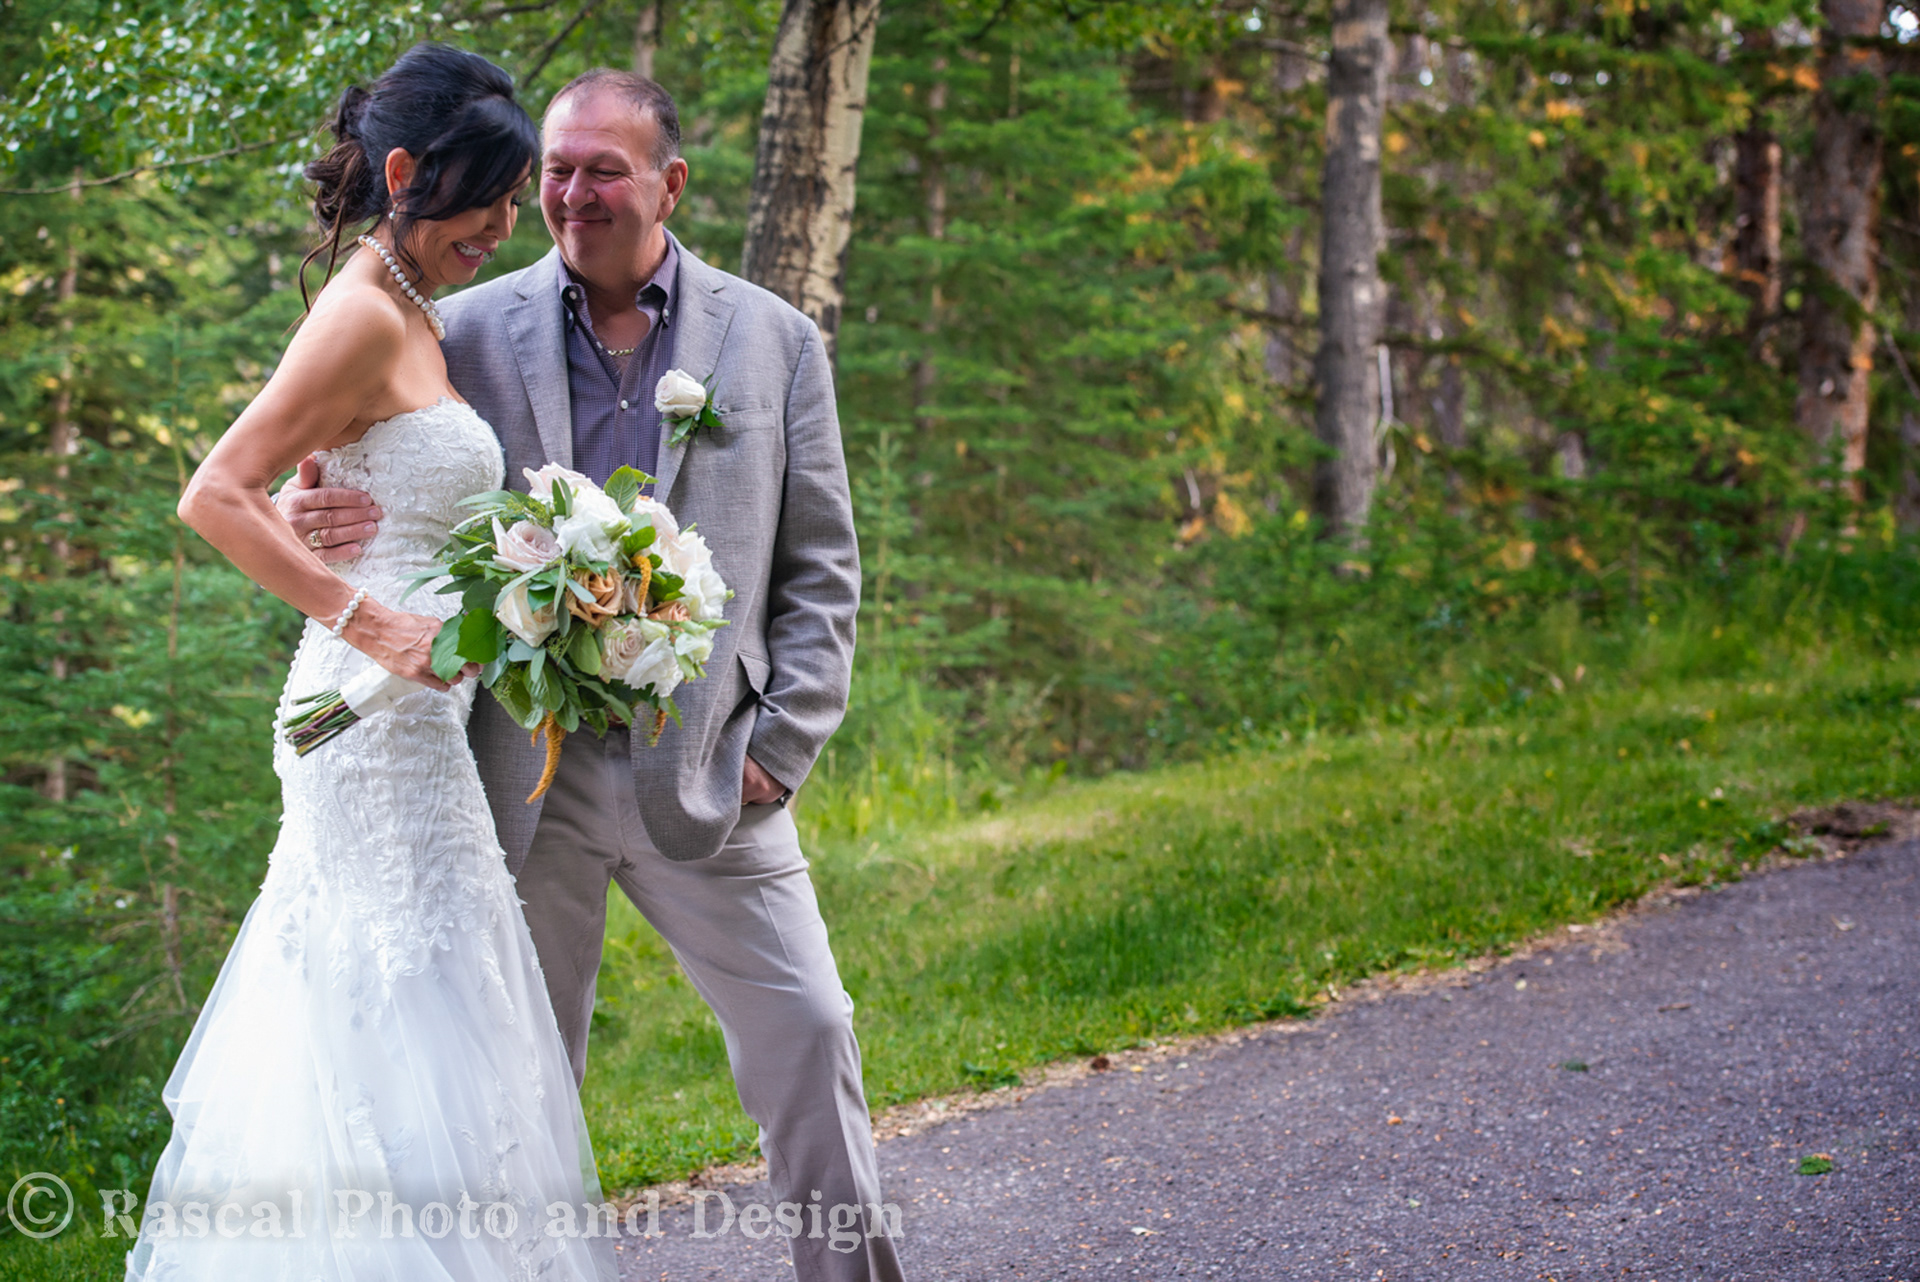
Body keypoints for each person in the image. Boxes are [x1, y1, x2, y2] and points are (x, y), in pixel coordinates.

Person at [278, 69, 903, 1282]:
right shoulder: (462, 321)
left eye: (600, 170)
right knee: (519, 1079)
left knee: (813, 1031)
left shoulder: (774, 339)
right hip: (520, 774)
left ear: (669, 182)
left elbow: (823, 565)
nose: (568, 194)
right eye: (554, 170)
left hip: (716, 773)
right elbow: (350, 442)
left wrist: (785, 740)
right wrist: (317, 507)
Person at [129, 44, 616, 1281]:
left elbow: (340, 475)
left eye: (515, 200)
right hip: (355, 712)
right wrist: (367, 619)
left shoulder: (406, 307)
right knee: (382, 990)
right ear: (404, 173)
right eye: (484, 199)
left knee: (440, 990)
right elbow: (212, 493)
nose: (506, 226)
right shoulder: (359, 311)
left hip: (416, 719)